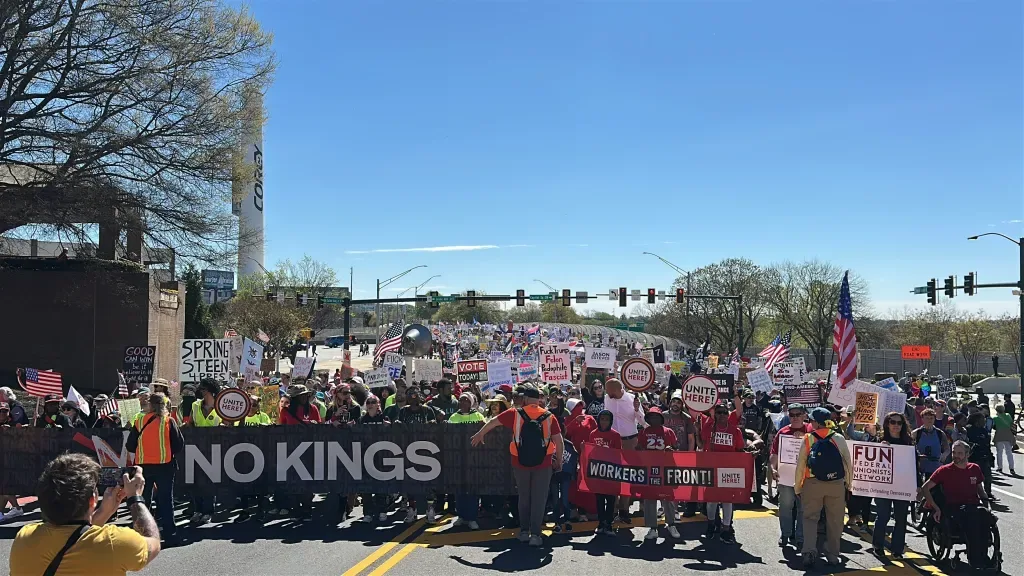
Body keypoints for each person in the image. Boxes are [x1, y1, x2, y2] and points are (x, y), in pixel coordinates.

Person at [9, 456, 160, 576]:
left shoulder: (24, 538)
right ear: (93, 499)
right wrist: (135, 498)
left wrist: (104, 512)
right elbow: (153, 543)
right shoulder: (113, 542)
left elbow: (75, 536)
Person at [471, 385, 564, 547]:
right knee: (539, 499)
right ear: (539, 399)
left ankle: (523, 531)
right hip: (544, 463)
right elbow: (559, 441)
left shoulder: (516, 414)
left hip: (519, 462)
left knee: (524, 497)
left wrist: (480, 434)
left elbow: (493, 422)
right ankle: (536, 535)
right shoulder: (549, 416)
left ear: (525, 399)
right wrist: (559, 460)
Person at [919, 441, 993, 569]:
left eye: (959, 453)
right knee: (973, 517)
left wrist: (987, 503)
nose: (955, 456)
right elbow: (925, 488)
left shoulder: (974, 468)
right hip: (954, 508)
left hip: (973, 506)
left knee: (984, 515)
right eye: (954, 452)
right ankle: (975, 559)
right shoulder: (944, 470)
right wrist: (936, 508)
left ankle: (984, 556)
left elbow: (980, 490)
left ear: (967, 454)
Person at [794, 407, 852, 569]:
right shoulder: (838, 438)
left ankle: (809, 551)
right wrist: (848, 484)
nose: (810, 422)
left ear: (817, 423)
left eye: (812, 420)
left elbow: (800, 466)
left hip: (813, 484)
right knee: (835, 520)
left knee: (810, 518)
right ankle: (833, 555)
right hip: (836, 484)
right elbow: (848, 463)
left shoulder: (808, 439)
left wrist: (798, 487)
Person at [130, 392, 184, 541]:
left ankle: (144, 532)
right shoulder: (169, 421)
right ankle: (169, 532)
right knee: (166, 499)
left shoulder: (139, 422)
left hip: (143, 466)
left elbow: (129, 445)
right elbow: (179, 444)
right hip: (165, 465)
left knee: (144, 499)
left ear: (150, 405)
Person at [701, 403, 744, 544]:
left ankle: (726, 529)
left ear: (728, 414)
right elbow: (701, 444)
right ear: (715, 414)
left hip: (729, 471)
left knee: (727, 500)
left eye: (725, 412)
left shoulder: (735, 431)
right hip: (711, 469)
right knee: (711, 500)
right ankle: (711, 525)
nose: (721, 415)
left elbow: (739, 450)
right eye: (719, 412)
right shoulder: (708, 428)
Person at [603, 379, 645, 523]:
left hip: (630, 442)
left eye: (609, 391)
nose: (607, 393)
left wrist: (637, 409)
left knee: (627, 476)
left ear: (618, 389)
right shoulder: (607, 399)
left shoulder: (633, 399)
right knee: (613, 476)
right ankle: (613, 509)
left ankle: (624, 510)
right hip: (612, 442)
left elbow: (643, 422)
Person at [872, 412, 912, 558]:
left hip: (902, 484)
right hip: (883, 485)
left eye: (899, 423)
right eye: (893, 422)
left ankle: (897, 549)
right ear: (887, 424)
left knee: (901, 518)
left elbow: (914, 465)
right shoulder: (879, 440)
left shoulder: (908, 441)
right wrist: (879, 447)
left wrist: (918, 485)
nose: (896, 425)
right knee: (883, 516)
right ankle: (878, 545)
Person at [395, 387, 438, 523]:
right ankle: (411, 509)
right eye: (410, 395)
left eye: (415, 395)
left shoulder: (427, 410)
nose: (413, 397)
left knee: (428, 481)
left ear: (420, 396)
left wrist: (432, 424)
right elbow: (399, 427)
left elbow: (435, 427)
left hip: (426, 450)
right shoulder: (403, 411)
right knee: (410, 481)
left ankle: (430, 509)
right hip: (408, 449)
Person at [769, 402, 810, 549]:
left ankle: (800, 537)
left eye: (798, 414)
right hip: (785, 477)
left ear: (805, 415)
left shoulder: (811, 431)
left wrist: (806, 437)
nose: (795, 418)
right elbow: (774, 453)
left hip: (806, 478)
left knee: (803, 509)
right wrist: (773, 468)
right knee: (785, 506)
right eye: (792, 415)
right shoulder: (782, 432)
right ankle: (785, 534)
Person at [637, 407, 681, 541]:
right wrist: (639, 450)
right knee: (650, 498)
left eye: (656, 417)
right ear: (648, 419)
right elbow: (639, 449)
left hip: (665, 469)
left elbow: (676, 448)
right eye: (651, 417)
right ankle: (652, 527)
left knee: (667, 497)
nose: (654, 419)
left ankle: (671, 524)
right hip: (650, 470)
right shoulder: (644, 432)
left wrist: (671, 449)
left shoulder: (668, 432)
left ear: (661, 419)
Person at [449, 392, 484, 529]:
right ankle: (461, 516)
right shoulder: (453, 417)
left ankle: (472, 517)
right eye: (461, 400)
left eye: (466, 400)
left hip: (474, 459)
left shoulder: (478, 416)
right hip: (458, 459)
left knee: (472, 490)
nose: (463, 402)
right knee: (459, 489)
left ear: (471, 403)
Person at [357, 395, 391, 523]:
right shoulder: (361, 419)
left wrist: (389, 428)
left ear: (378, 405)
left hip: (381, 456)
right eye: (368, 402)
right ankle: (367, 513)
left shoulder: (384, 418)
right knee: (366, 487)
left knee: (381, 485)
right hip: (365, 456)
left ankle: (382, 511)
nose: (370, 404)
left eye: (373, 402)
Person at [963, 412, 994, 499]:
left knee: (987, 477)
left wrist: (990, 456)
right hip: (974, 458)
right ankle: (973, 493)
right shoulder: (969, 430)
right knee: (973, 478)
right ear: (977, 420)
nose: (984, 421)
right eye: (982, 419)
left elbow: (987, 444)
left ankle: (988, 493)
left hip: (984, 457)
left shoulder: (984, 430)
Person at [914, 408, 950, 481]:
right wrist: (917, 455)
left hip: (936, 468)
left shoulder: (940, 433)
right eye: (927, 418)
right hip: (920, 468)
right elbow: (909, 448)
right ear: (922, 419)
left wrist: (944, 456)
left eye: (931, 418)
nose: (929, 420)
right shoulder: (916, 433)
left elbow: (947, 449)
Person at [991, 404, 1015, 475]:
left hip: (999, 436)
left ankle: (1000, 467)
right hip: (1008, 435)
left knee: (999, 452)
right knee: (1009, 452)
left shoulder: (995, 418)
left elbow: (994, 427)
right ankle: (1011, 468)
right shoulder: (1008, 416)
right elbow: (1011, 423)